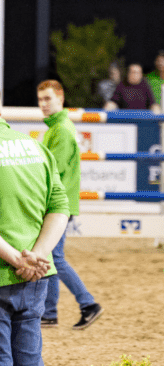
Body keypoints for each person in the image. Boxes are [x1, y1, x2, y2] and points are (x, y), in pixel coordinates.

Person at [0, 100, 70, 366]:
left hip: (7, 269)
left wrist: (18, 259)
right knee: (30, 359)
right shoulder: (35, 147)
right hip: (37, 275)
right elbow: (59, 206)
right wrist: (38, 255)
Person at [36, 81, 102, 330]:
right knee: (53, 257)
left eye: (47, 99)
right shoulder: (60, 126)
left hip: (57, 204)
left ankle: (88, 304)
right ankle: (50, 313)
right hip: (61, 202)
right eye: (40, 99)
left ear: (60, 98)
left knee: (56, 258)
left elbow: (54, 171)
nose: (43, 104)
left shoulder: (60, 130)